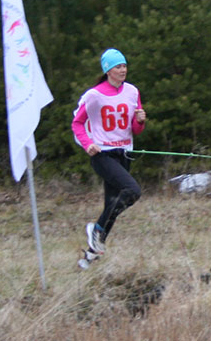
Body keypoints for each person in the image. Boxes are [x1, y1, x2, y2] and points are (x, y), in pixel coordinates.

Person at [71, 48, 147, 267]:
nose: (123, 70)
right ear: (107, 70)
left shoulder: (132, 91)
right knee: (132, 191)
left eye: (124, 66)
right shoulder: (94, 95)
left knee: (112, 206)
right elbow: (77, 123)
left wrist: (140, 121)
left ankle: (90, 256)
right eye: (118, 67)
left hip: (124, 153)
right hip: (103, 155)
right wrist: (88, 144)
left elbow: (135, 129)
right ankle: (96, 230)